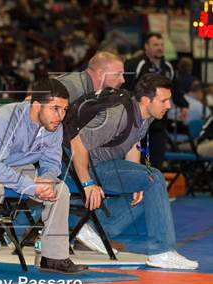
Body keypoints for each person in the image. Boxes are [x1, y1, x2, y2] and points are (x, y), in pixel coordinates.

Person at [0, 79, 88, 276]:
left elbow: (51, 163)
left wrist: (46, 180)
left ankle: (53, 257)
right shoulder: (5, 118)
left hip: (14, 166)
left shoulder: (54, 125)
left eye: (64, 110)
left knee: (60, 190)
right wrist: (29, 186)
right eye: (55, 109)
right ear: (36, 105)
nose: (61, 116)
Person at [66, 73, 198, 269]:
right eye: (164, 100)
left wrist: (136, 177)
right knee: (155, 178)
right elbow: (76, 142)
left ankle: (91, 226)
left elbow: (132, 143)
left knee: (147, 187)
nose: (169, 105)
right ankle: (161, 252)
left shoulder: (146, 115)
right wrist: (87, 183)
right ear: (146, 100)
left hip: (104, 165)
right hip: (82, 167)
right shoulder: (117, 115)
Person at [57, 51, 125, 254]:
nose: (123, 79)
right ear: (101, 73)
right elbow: (30, 103)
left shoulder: (96, 93)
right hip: (53, 154)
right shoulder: (73, 85)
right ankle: (32, 226)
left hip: (65, 151)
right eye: (118, 74)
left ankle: (82, 230)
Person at [124, 32, 175, 169]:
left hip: (159, 123)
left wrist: (184, 105)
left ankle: (151, 185)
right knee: (136, 160)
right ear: (146, 46)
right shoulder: (137, 64)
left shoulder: (167, 67)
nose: (160, 48)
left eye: (161, 45)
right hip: (138, 118)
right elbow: (126, 88)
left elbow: (174, 90)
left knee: (156, 162)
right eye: (155, 45)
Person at [57, 51, 125, 105]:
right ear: (100, 74)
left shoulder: (97, 92)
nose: (123, 80)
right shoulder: (70, 87)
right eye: (117, 74)